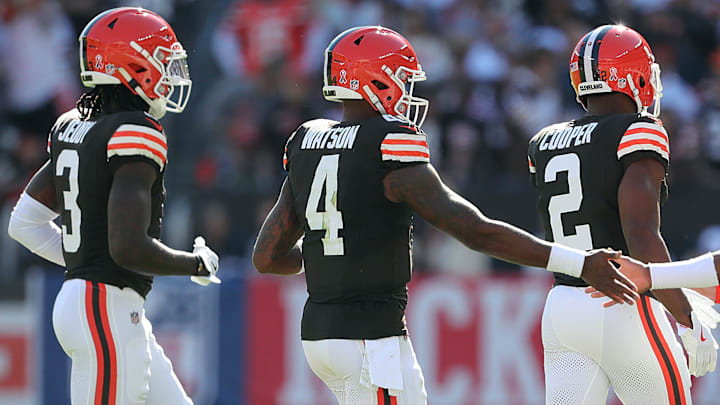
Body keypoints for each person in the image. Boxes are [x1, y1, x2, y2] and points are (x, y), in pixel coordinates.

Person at [252, 26, 639, 405]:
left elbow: (267, 258)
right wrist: (578, 263)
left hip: (320, 336)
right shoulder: (387, 144)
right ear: (376, 79)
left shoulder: (308, 142)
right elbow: (476, 232)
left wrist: (330, 254)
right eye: (402, 78)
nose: (408, 91)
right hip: (369, 338)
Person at [7, 8, 220, 405]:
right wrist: (195, 264)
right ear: (133, 65)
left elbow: (25, 224)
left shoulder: (74, 125)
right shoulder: (136, 131)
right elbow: (128, 248)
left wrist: (85, 262)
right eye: (163, 62)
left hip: (99, 304)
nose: (169, 76)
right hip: (104, 307)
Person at [528, 24, 718, 404]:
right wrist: (684, 315)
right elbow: (641, 234)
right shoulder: (638, 130)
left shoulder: (543, 141)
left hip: (563, 307)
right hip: (623, 302)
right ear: (630, 74)